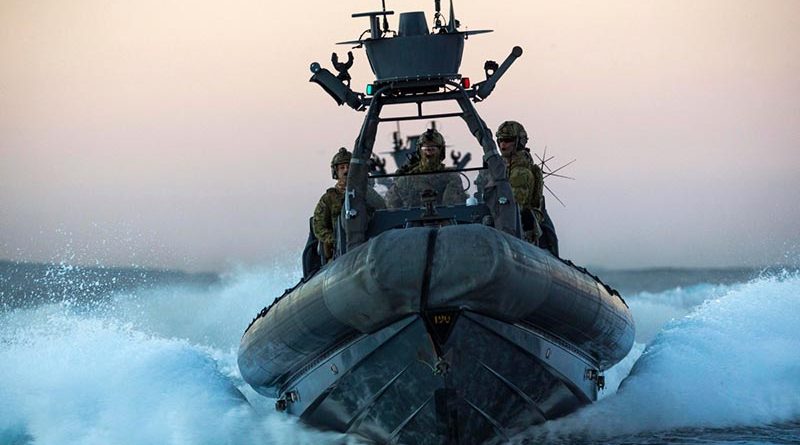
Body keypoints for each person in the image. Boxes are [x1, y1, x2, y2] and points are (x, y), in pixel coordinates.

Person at [312, 147, 385, 261]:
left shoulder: (366, 192)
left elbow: (382, 208)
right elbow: (318, 226)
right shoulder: (329, 198)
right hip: (341, 252)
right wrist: (335, 239)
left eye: (349, 166)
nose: (346, 170)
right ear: (336, 172)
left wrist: (365, 189)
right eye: (342, 168)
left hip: (368, 244)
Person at [385, 129, 467, 208]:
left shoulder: (452, 177)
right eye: (426, 149)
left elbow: (455, 208)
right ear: (419, 152)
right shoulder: (406, 180)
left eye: (432, 149)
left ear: (440, 151)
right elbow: (391, 207)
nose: (429, 154)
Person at [495, 121, 544, 244]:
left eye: (507, 140)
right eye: (500, 140)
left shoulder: (521, 173)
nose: (503, 145)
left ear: (519, 143)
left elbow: (513, 208)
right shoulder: (495, 168)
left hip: (517, 230)